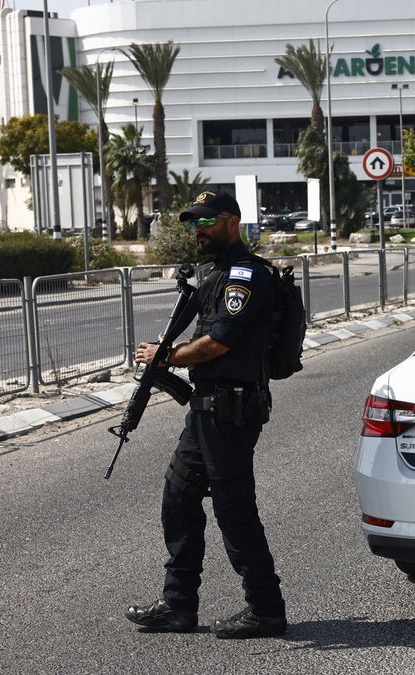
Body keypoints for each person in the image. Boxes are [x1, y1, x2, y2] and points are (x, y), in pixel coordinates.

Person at [127, 191, 287, 639]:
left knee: (235, 512)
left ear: (233, 222)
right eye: (193, 223)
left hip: (232, 412)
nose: (198, 230)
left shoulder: (245, 276)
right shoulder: (213, 275)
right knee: (178, 499)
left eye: (207, 222)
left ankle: (266, 609)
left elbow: (219, 343)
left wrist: (168, 356)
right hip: (204, 412)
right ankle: (179, 606)